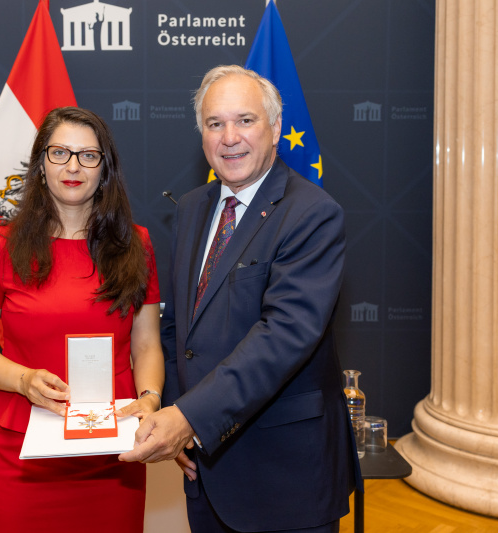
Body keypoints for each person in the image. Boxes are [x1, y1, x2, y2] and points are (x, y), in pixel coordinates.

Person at [119, 65, 360, 533]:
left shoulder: (313, 214)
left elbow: (283, 338)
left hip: (284, 477)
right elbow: (178, 329)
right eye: (214, 124)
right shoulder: (191, 207)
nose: (229, 137)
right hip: (205, 468)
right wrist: (171, 408)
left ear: (274, 129)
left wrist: (188, 418)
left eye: (245, 120)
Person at [0, 106, 164, 533]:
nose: (73, 166)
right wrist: (23, 380)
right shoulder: (2, 246)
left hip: (112, 455)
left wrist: (150, 397)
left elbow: (145, 344)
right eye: (59, 153)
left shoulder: (136, 245)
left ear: (104, 169)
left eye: (88, 155)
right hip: (21, 453)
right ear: (40, 163)